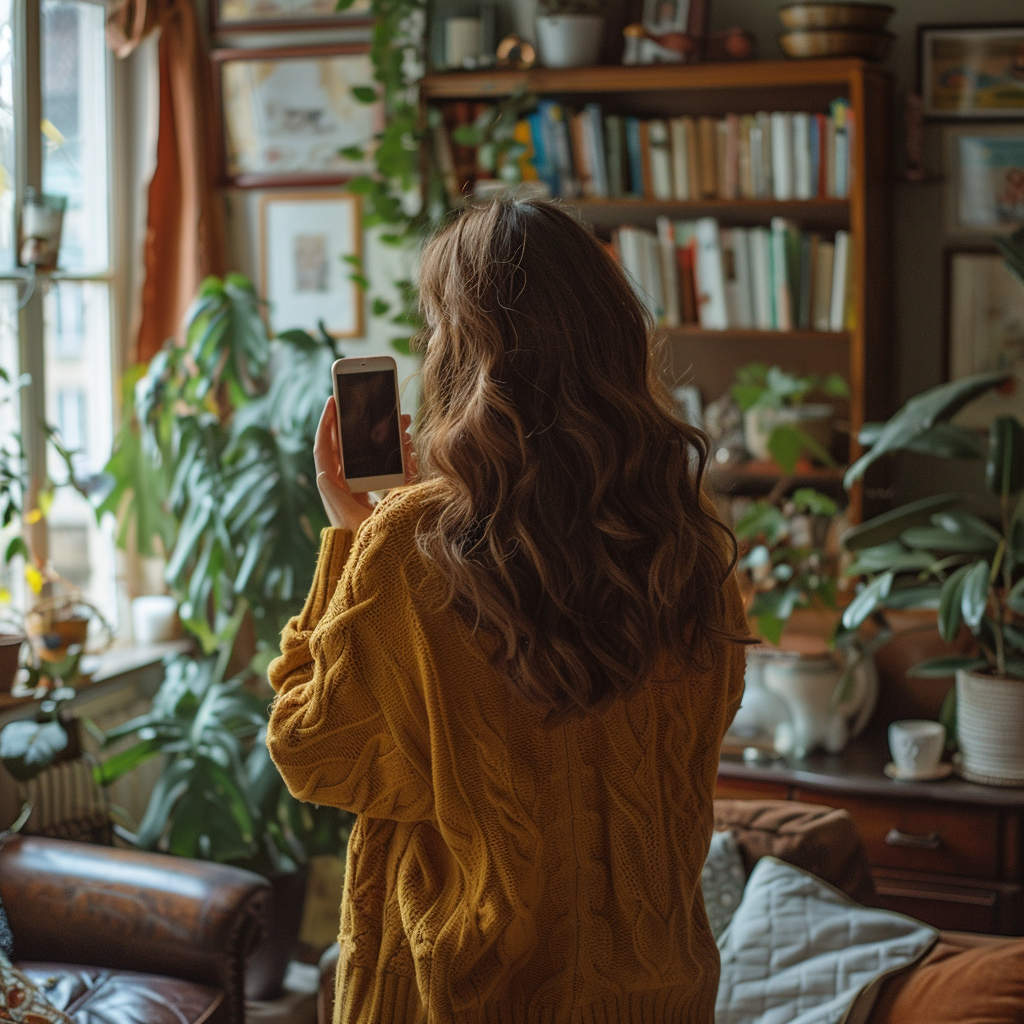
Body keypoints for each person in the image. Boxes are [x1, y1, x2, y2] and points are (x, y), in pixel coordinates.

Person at [266, 197, 750, 1024]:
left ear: (464, 351)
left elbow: (316, 755)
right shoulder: (692, 545)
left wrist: (353, 542)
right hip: (656, 993)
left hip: (471, 993)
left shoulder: (411, 546)